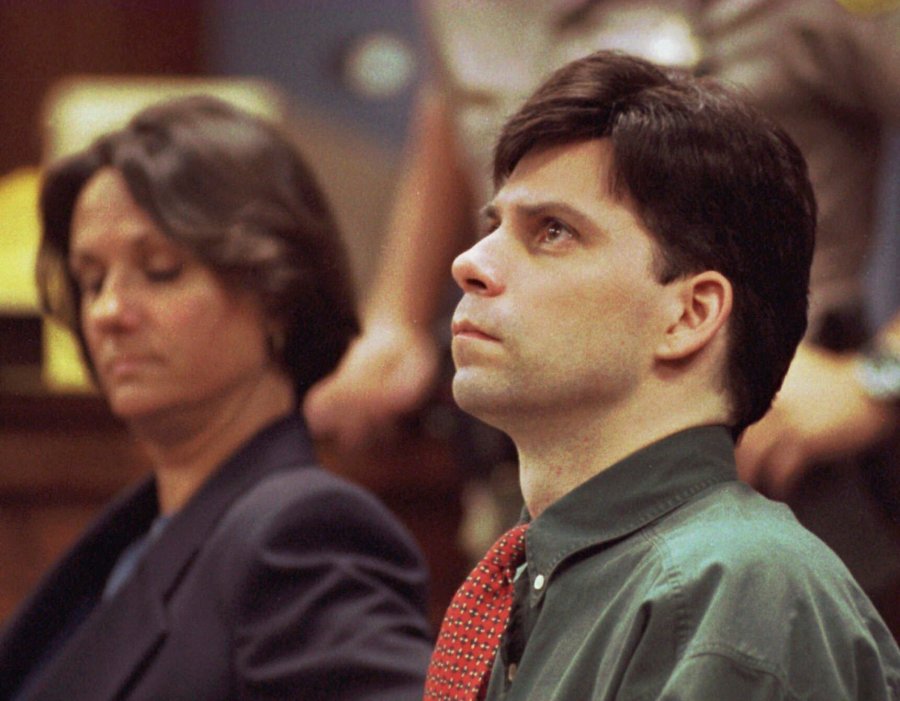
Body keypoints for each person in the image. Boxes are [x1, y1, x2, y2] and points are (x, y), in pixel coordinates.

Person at [305, 0, 900, 620]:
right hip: (541, 456)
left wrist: (875, 381)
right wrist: (395, 317)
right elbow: (457, 103)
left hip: (764, 454)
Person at [423, 50, 900, 700]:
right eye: (492, 225)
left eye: (553, 230)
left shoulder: (732, 593)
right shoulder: (540, 578)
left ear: (689, 314)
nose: (469, 263)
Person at [0, 96, 432, 700]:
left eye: (160, 270)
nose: (108, 312)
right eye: (92, 280)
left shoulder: (300, 535)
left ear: (276, 291)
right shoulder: (134, 533)